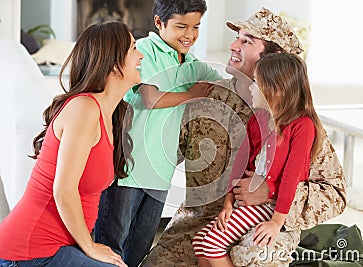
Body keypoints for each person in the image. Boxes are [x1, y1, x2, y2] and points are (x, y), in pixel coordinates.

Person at [141, 7, 346, 267]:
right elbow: (162, 151)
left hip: (263, 225)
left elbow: (335, 193)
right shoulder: (205, 96)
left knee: (254, 258)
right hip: (200, 220)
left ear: (275, 59)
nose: (234, 45)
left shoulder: (297, 121)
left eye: (247, 41)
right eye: (238, 37)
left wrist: (270, 191)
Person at [0, 21, 143, 267]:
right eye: (133, 48)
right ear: (113, 63)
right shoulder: (84, 109)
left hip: (60, 245)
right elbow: (63, 191)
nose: (140, 55)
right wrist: (90, 247)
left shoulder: (111, 114)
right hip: (28, 250)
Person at [94, 0, 222, 266]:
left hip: (160, 171)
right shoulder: (143, 51)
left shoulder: (190, 62)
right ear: (159, 23)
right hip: (128, 167)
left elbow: (222, 84)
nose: (189, 34)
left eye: (196, 26)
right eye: (181, 26)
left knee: (140, 245)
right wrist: (192, 95)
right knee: (111, 242)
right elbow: (150, 98)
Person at [192, 52, 324, 266]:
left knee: (212, 243)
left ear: (276, 90)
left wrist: (276, 222)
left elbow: (291, 178)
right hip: (246, 202)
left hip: (273, 206)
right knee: (200, 242)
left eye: (256, 83)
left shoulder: (302, 126)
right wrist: (228, 204)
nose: (251, 88)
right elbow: (239, 165)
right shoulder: (257, 119)